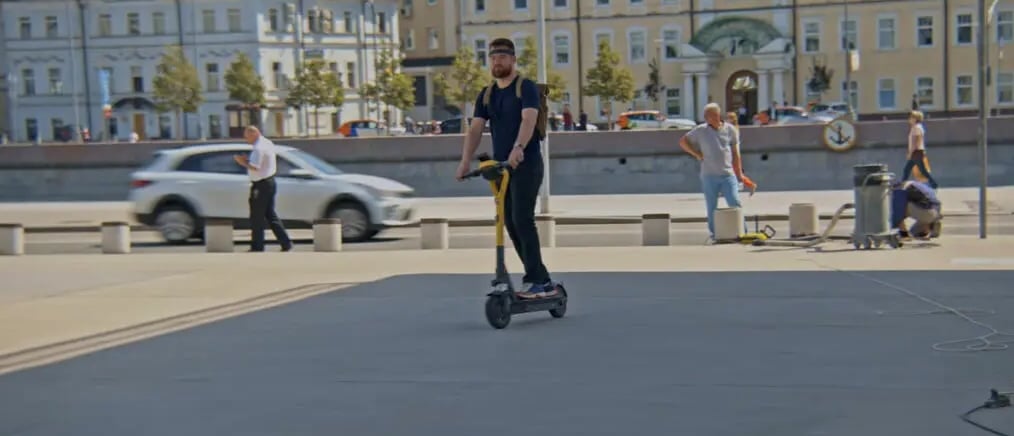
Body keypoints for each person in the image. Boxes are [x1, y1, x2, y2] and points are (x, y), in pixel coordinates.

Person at [454, 37, 555, 299]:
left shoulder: (526, 87)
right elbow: (475, 128)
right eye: (493, 57)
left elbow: (528, 119)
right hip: (501, 167)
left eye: (502, 56)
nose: (497, 61)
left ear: (512, 60)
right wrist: (465, 161)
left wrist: (518, 147)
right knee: (509, 222)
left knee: (522, 218)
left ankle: (536, 279)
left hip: (527, 162)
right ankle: (540, 278)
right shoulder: (487, 94)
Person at [679, 102, 755, 239]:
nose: (709, 118)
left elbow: (735, 153)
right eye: (707, 116)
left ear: (718, 115)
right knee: (711, 206)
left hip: (727, 174)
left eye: (712, 115)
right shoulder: (700, 130)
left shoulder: (730, 129)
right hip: (709, 175)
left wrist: (740, 175)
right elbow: (683, 141)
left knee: (734, 202)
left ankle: (742, 231)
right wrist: (696, 154)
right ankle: (715, 234)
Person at [234, 126, 293, 252]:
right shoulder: (267, 143)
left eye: (247, 136)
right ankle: (285, 243)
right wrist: (248, 160)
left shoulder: (258, 148)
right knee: (270, 215)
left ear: (254, 134)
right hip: (269, 182)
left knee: (257, 216)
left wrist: (241, 162)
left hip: (260, 185)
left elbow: (255, 167)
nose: (246, 139)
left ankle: (257, 246)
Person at [902, 110, 938, 188]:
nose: (909, 119)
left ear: (915, 118)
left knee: (918, 170)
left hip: (916, 152)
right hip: (917, 152)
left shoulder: (917, 128)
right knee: (909, 169)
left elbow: (916, 142)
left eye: (911, 117)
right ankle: (933, 183)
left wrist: (910, 153)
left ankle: (933, 183)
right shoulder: (916, 127)